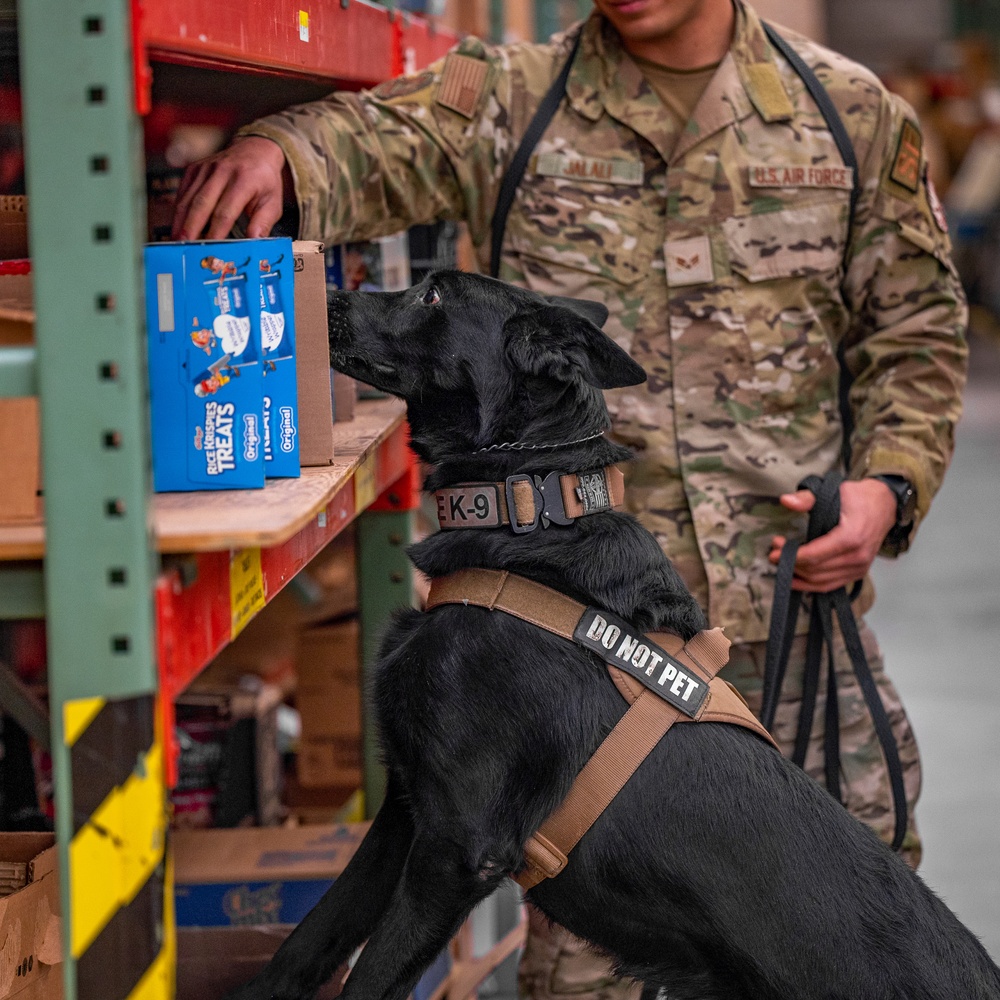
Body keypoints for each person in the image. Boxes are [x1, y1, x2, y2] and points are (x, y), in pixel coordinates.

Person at [172, 2, 969, 998]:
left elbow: (916, 332)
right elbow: (377, 137)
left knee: (857, 963)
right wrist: (282, 153)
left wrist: (886, 488)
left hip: (793, 656)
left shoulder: (851, 115)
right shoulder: (512, 99)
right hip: (568, 687)